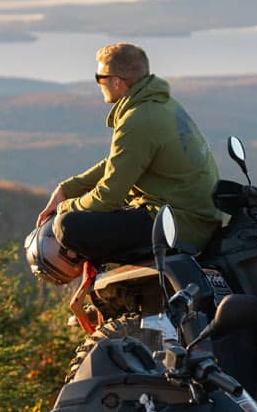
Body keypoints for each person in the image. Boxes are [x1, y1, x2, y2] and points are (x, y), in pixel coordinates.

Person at [36, 42, 226, 265]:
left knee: (67, 226)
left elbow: (108, 198)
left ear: (116, 82)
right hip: (193, 218)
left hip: (179, 226)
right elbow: (121, 160)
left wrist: (63, 208)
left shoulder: (138, 119)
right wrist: (68, 189)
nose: (98, 83)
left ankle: (126, 275)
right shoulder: (162, 104)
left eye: (100, 78)